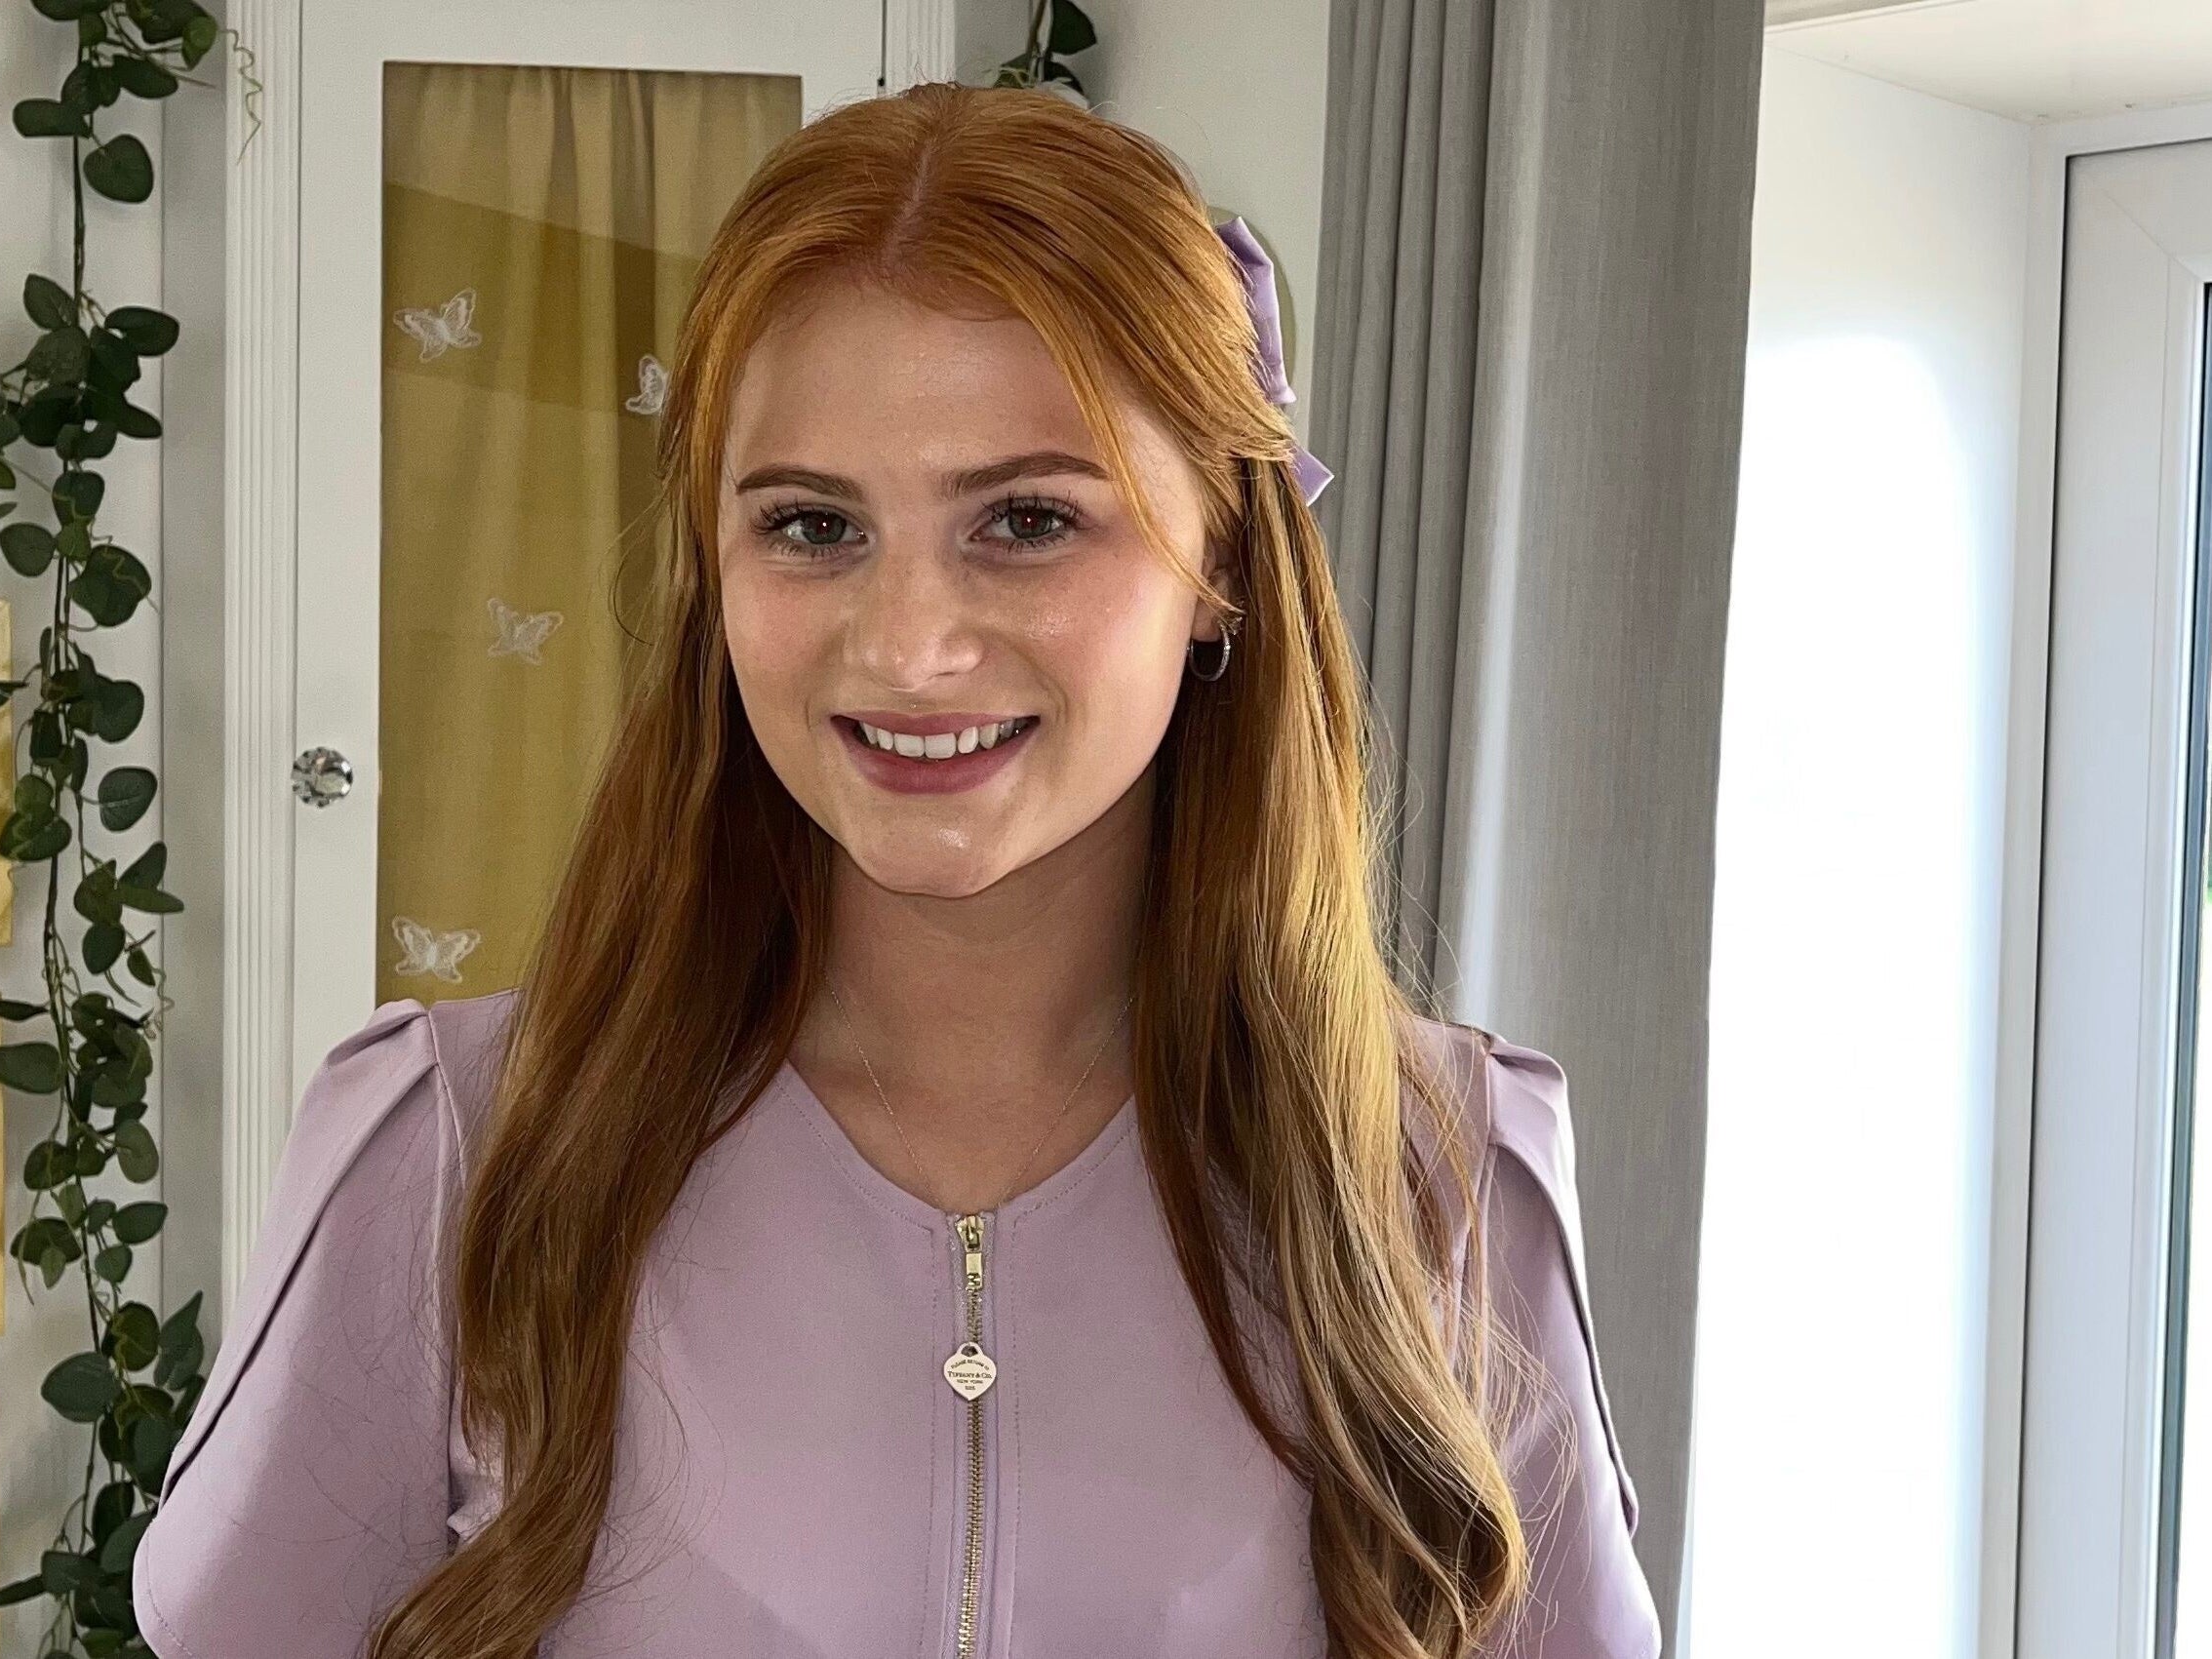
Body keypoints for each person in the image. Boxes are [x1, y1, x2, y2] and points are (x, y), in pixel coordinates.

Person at [129, 80, 1659, 1659]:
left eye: (1027, 519)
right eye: (812, 526)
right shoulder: (453, 1149)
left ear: (1219, 554)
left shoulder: (1445, 1175)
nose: (911, 645)